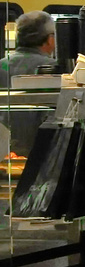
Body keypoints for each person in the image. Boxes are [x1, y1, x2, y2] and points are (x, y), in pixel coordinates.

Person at [1, 11, 56, 157]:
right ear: (50, 39)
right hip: (38, 156)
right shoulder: (54, 69)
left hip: (4, 156)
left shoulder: (2, 65)